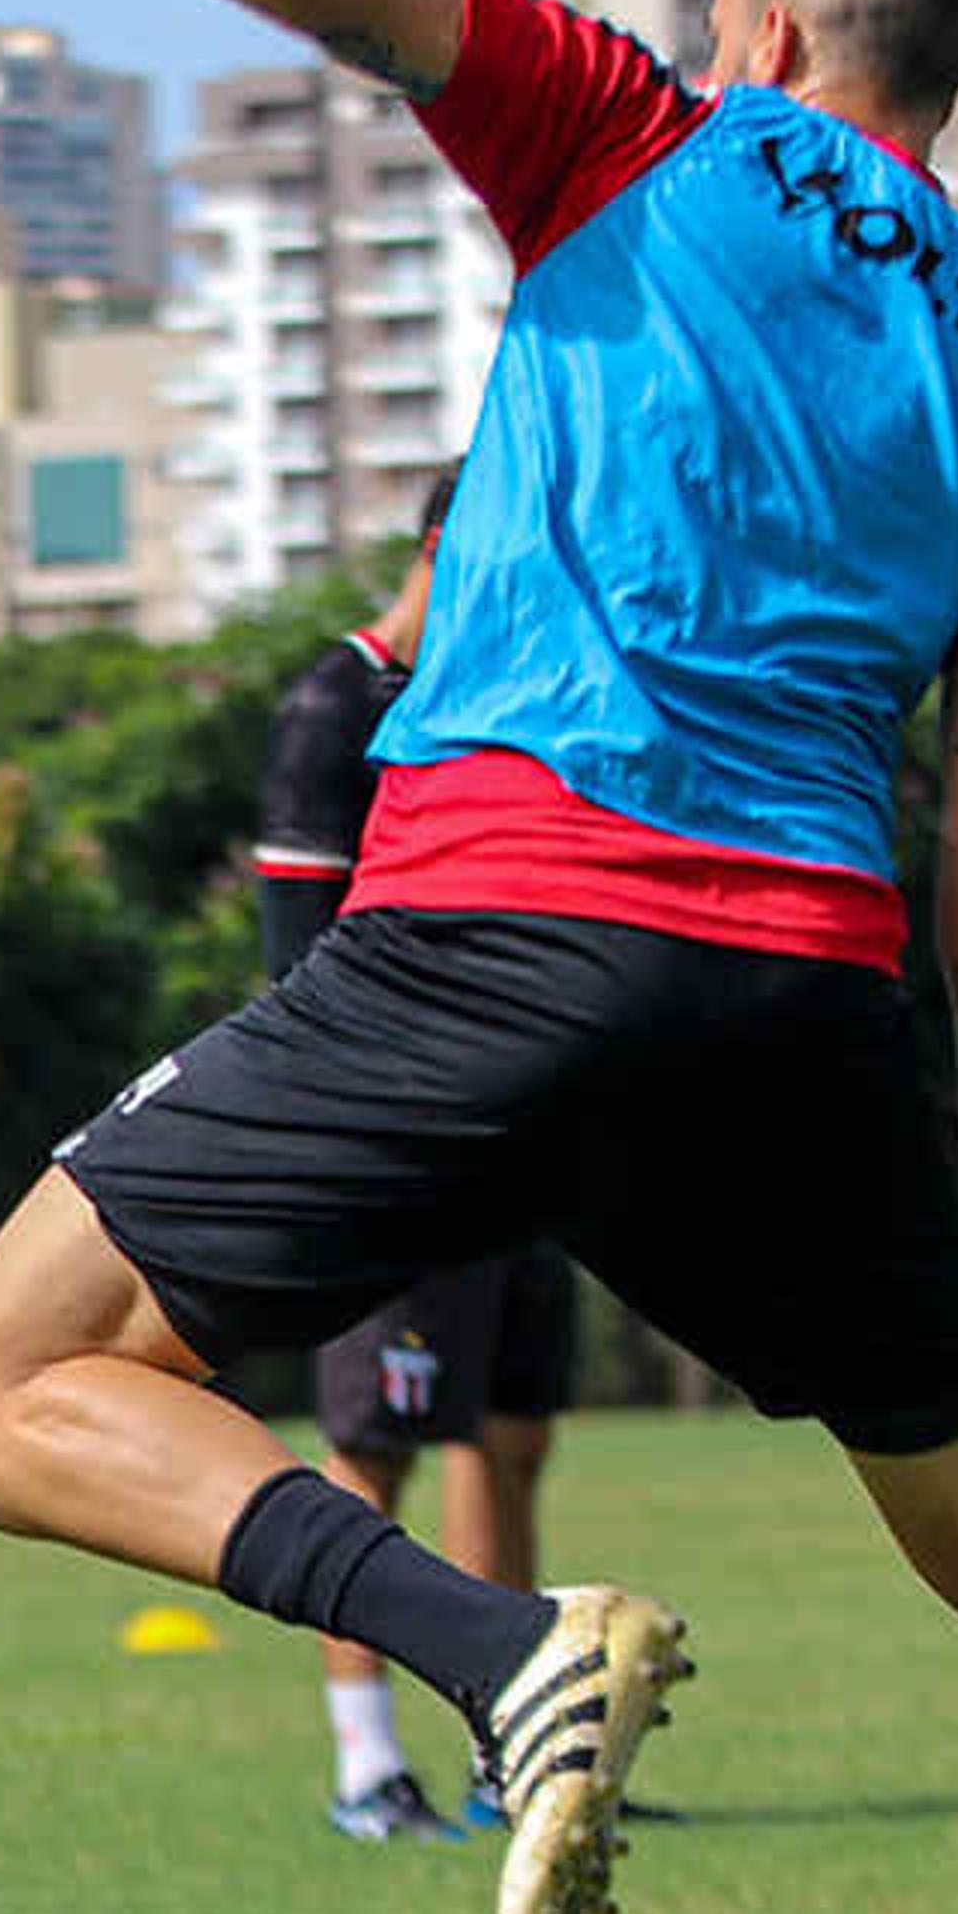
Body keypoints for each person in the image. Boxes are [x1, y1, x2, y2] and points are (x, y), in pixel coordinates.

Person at [0, 0, 958, 1914]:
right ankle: (502, 1648)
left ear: (772, 32)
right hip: (811, 1000)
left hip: (505, 934)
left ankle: (498, 1646)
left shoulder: (648, 133)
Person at [252, 470, 585, 1844]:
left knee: (508, 1433)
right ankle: (364, 1767)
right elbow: (296, 955)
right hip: (390, 1143)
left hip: (521, 1137)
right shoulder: (340, 709)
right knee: (374, 1445)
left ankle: (513, 1752)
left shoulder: (506, 694)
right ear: (451, 547)